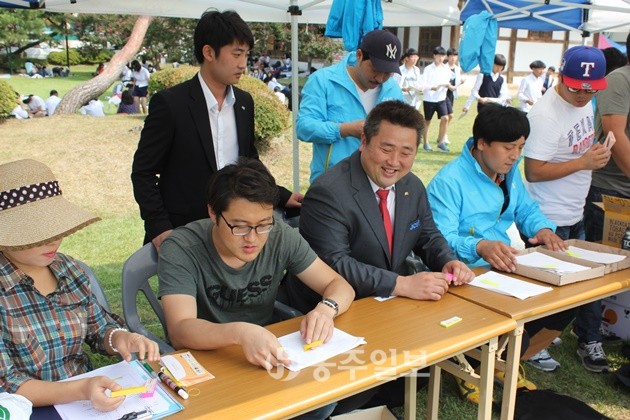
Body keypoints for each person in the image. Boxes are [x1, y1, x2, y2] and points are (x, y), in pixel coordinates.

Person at [287, 100, 473, 412]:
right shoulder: (328, 191)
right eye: (386, 149)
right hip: (332, 312)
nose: (394, 162)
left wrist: (448, 261)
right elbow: (335, 264)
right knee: (355, 391)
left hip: (388, 307)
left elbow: (427, 234)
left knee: (419, 371)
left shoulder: (411, 185)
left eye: (406, 152)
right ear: (363, 141)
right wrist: (402, 284)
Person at [159, 158, 355, 419]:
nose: (253, 238)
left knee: (322, 401)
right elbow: (180, 330)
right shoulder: (182, 248)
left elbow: (339, 286)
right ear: (213, 213)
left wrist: (326, 309)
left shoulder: (279, 235)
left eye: (263, 224)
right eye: (240, 227)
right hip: (205, 363)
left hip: (266, 357)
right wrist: (240, 333)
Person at [426, 105, 573, 400]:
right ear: (482, 143)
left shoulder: (508, 172)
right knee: (513, 323)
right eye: (508, 147)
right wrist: (479, 246)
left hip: (502, 265)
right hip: (464, 273)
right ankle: (470, 365)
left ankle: (503, 361)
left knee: (566, 303)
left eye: (520, 147)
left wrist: (543, 229)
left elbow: (526, 209)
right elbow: (438, 239)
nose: (515, 155)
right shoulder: (449, 181)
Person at [131, 9, 302, 250]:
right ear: (209, 52)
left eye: (246, 55)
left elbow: (249, 161)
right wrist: (159, 227)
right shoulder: (171, 104)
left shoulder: (244, 102)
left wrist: (281, 195)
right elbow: (143, 172)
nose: (243, 64)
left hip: (236, 230)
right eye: (236, 54)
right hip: (184, 232)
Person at [0, 159, 159, 411]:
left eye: (57, 227)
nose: (54, 240)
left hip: (86, 402)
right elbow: (7, 383)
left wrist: (121, 338)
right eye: (38, 233)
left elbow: (99, 328)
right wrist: (82, 389)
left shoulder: (69, 270)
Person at [523, 46, 611, 372]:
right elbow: (533, 171)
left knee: (573, 285)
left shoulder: (587, 104)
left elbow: (577, 148)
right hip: (547, 215)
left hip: (575, 209)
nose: (583, 95)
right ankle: (530, 346)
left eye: (590, 90)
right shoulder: (545, 115)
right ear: (561, 77)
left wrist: (593, 156)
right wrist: (583, 162)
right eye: (576, 88)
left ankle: (553, 333)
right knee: (545, 288)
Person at [579, 32, 630, 373]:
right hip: (610, 192)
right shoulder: (619, 80)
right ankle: (588, 337)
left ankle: (607, 328)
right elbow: (616, 134)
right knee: (599, 267)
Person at [296, 29, 403, 182]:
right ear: (359, 56)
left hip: (376, 181)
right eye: (375, 70)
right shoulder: (323, 81)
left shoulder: (393, 89)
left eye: (388, 73)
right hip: (332, 181)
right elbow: (304, 127)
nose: (380, 78)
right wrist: (345, 129)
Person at [421, 46, 452, 152]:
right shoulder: (428, 69)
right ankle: (426, 143)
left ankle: (441, 142)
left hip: (441, 98)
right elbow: (423, 84)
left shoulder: (446, 69)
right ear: (434, 56)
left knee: (445, 118)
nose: (441, 58)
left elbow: (447, 82)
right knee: (427, 121)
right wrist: (432, 87)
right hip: (429, 99)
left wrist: (449, 86)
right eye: (439, 55)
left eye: (443, 56)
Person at [444, 48, 464, 145]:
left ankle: (443, 134)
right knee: (449, 115)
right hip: (444, 93)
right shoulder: (444, 68)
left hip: (451, 94)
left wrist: (461, 82)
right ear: (447, 57)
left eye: (455, 56)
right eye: (451, 56)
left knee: (448, 116)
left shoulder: (457, 68)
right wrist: (449, 86)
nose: (453, 58)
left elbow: (457, 81)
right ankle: (444, 135)